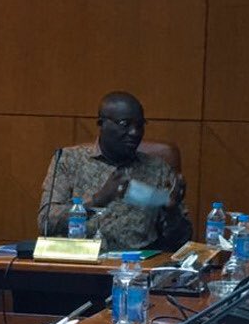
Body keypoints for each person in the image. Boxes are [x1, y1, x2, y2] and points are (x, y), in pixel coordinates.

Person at [37, 91, 190, 251]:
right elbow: (46, 222)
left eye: (139, 125)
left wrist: (173, 211)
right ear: (101, 124)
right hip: (81, 259)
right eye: (125, 124)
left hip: (135, 263)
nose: (134, 132)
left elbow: (180, 241)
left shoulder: (158, 169)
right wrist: (97, 201)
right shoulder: (69, 160)